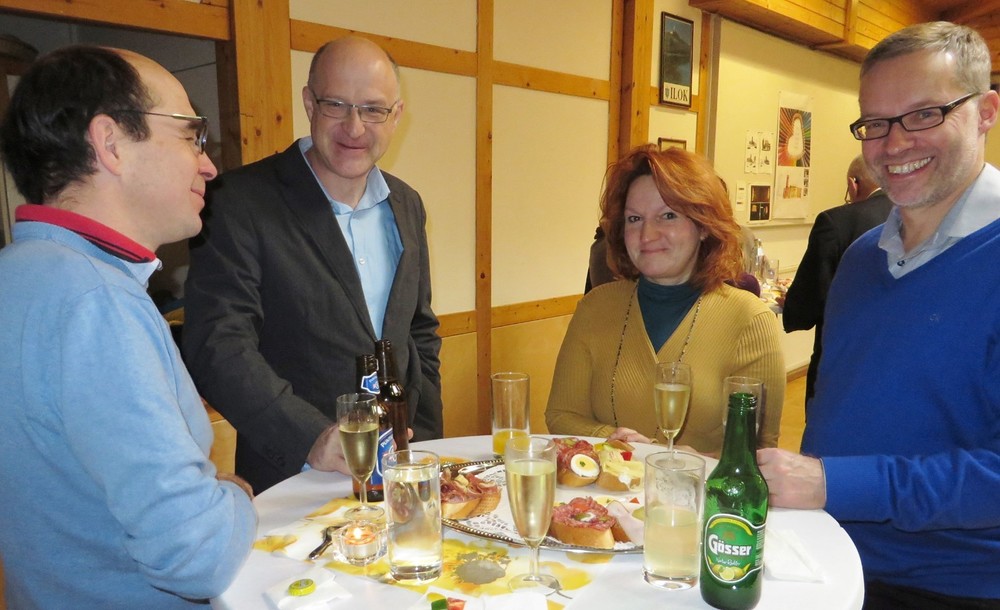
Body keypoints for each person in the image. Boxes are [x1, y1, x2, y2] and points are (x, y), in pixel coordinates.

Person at [0, 45, 259, 609]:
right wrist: (234, 495)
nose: (208, 165)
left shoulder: (17, 274)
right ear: (111, 143)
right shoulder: (97, 301)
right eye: (191, 134)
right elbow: (197, 555)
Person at [758, 22, 1000, 608]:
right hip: (821, 555)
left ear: (986, 112)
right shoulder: (863, 257)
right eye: (876, 123)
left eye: (924, 114)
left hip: (948, 586)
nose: (893, 144)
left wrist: (832, 483)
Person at [184, 36, 443, 493]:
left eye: (373, 109)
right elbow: (217, 345)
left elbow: (418, 334)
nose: (355, 128)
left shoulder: (407, 204)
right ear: (308, 102)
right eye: (336, 105)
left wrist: (425, 445)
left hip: (400, 470)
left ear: (396, 115)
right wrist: (311, 437)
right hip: (295, 475)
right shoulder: (240, 201)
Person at [547, 145, 785, 453]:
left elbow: (758, 450)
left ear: (703, 226)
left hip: (700, 485)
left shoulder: (749, 320)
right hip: (610, 484)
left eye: (668, 215)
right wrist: (616, 440)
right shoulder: (596, 307)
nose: (647, 235)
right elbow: (562, 414)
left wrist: (686, 460)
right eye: (634, 219)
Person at [781, 154, 892, 406]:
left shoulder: (835, 222)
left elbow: (811, 299)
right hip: (896, 361)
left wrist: (792, 304)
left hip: (840, 362)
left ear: (853, 183)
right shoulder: (917, 217)